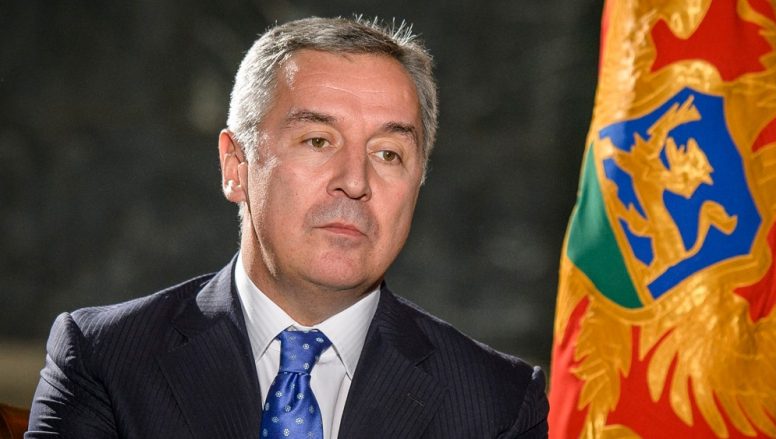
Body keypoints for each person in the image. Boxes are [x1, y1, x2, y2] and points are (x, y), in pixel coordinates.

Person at [26, 16, 549, 438]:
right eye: (318, 141)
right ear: (236, 166)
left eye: (388, 153)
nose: (355, 182)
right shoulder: (105, 360)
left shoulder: (498, 403)